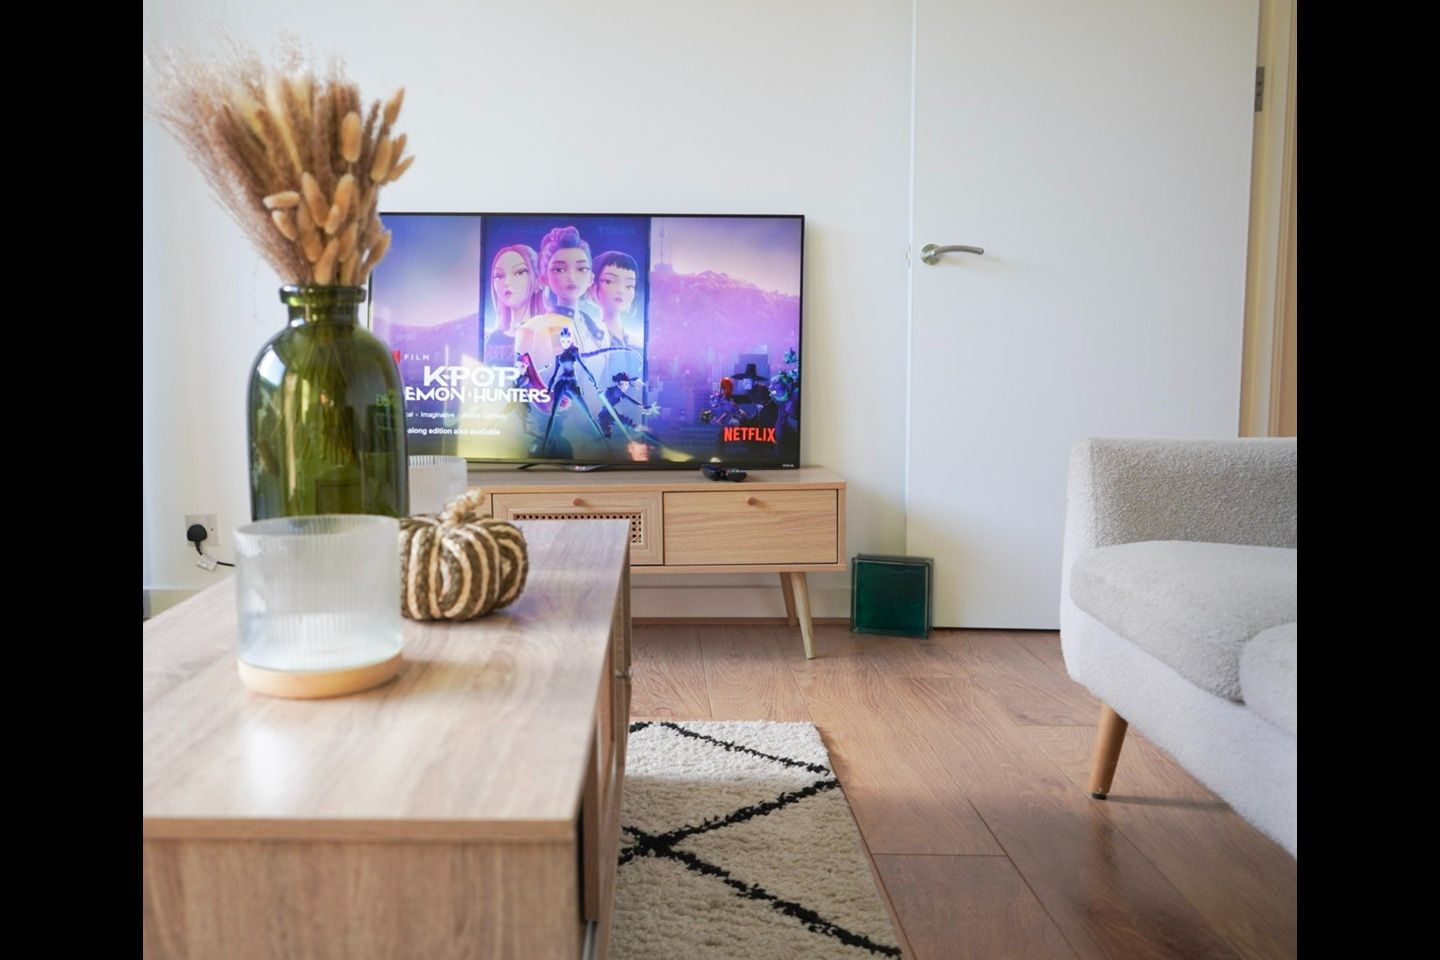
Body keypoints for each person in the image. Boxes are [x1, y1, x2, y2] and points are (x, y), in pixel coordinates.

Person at [484, 245, 546, 368]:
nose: (506, 282)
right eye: (499, 276)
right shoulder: (491, 338)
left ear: (536, 280)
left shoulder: (545, 335)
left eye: (519, 272)